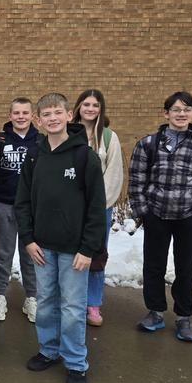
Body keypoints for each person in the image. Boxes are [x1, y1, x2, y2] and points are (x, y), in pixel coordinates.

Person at [15, 93, 105, 383]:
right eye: (46, 114)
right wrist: (27, 239)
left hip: (74, 251)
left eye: (58, 112)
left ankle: (76, 362)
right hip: (42, 247)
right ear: (38, 120)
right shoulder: (35, 156)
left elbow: (96, 207)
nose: (52, 118)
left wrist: (87, 249)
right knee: (46, 304)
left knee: (72, 308)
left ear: (69, 116)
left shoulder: (84, 156)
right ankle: (48, 350)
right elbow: (23, 201)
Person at [129, 91, 192, 343]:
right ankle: (155, 312)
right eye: (176, 109)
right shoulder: (148, 143)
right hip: (156, 214)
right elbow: (136, 180)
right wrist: (142, 211)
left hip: (189, 216)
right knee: (153, 266)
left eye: (186, 110)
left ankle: (184, 317)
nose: (181, 114)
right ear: (165, 113)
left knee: (186, 268)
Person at [0, 97, 39, 323]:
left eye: (25, 113)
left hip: (31, 209)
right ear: (10, 115)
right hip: (4, 204)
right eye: (16, 113)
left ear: (33, 116)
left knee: (31, 254)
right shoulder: (0, 141)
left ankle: (32, 298)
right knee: (3, 253)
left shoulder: (41, 142)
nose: (21, 117)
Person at [72, 89, 124, 327]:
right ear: (78, 108)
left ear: (101, 109)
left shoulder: (108, 137)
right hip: (70, 207)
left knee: (95, 255)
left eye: (95, 105)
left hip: (98, 208)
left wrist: (97, 204)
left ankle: (92, 304)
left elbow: (113, 174)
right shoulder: (68, 133)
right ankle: (72, 300)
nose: (90, 109)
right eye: (86, 105)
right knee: (70, 255)